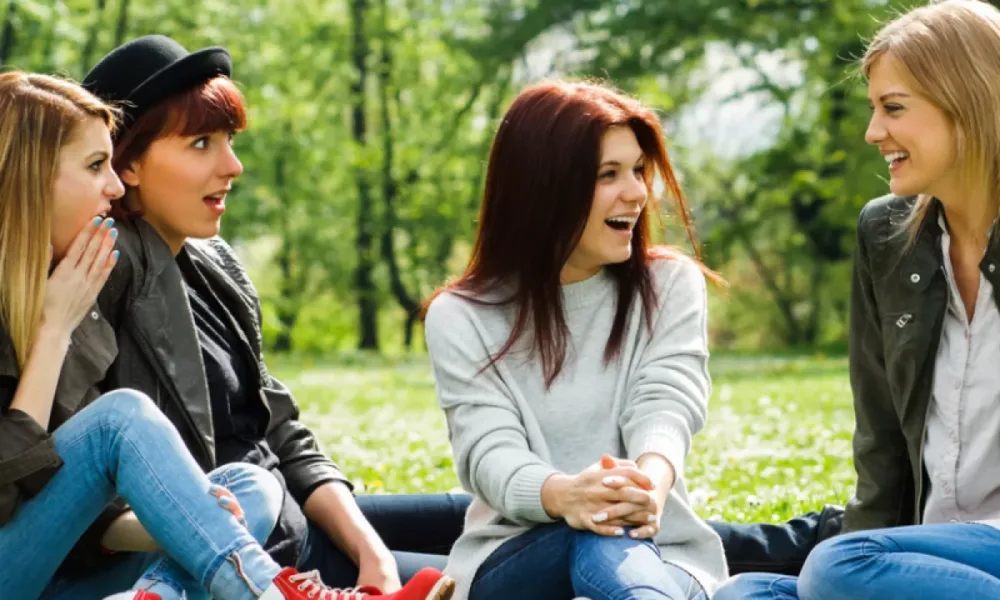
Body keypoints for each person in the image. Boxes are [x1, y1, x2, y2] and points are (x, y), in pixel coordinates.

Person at [77, 35, 455, 600]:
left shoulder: (213, 264)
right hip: (258, 554)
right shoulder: (103, 275)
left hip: (295, 519)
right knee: (496, 575)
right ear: (125, 163)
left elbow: (278, 429)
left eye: (228, 140)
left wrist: (369, 550)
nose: (232, 166)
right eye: (201, 143)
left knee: (485, 518)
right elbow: (80, 475)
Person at [0, 70, 402, 600]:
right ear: (30, 180)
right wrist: (53, 332)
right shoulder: (80, 297)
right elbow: (8, 497)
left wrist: (183, 520)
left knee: (249, 486)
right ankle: (269, 592)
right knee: (121, 418)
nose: (114, 187)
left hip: (56, 571)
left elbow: (69, 502)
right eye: (96, 166)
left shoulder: (65, 288)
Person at [714, 1, 1000, 598]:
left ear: (967, 101)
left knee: (834, 568)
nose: (873, 132)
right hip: (918, 549)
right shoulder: (887, 235)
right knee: (745, 593)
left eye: (893, 108)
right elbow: (882, 445)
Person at [423, 79, 729, 600]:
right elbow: (489, 452)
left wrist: (647, 489)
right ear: (544, 189)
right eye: (609, 174)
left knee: (610, 533)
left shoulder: (670, 285)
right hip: (516, 558)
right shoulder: (460, 316)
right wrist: (569, 496)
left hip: (664, 554)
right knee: (596, 531)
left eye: (638, 170)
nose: (637, 192)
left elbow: (666, 405)